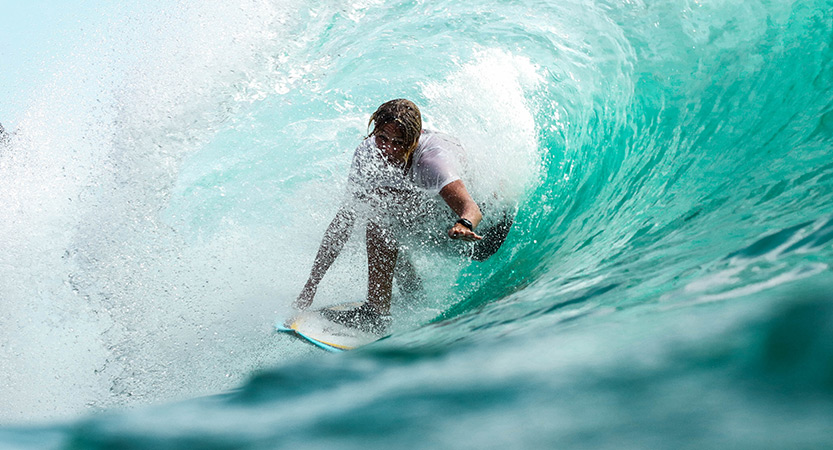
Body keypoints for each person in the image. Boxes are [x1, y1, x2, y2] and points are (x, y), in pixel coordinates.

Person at [294, 99, 511, 334]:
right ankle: (413, 294)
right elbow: (343, 222)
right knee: (379, 205)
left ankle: (376, 314)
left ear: (414, 139)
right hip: (445, 226)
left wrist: (464, 224)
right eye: (382, 138)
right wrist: (312, 284)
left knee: (381, 218)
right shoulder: (367, 153)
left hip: (485, 234)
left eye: (398, 143)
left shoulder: (432, 161)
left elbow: (471, 207)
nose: (388, 149)